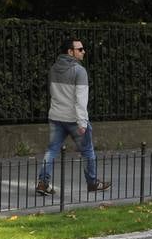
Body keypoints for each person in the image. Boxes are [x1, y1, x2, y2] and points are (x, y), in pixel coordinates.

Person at [35, 38, 110, 195]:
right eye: (80, 49)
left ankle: (43, 183)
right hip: (75, 120)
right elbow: (81, 99)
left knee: (51, 150)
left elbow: (53, 93)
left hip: (56, 116)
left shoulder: (54, 69)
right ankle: (92, 183)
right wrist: (82, 122)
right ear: (70, 52)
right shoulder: (79, 71)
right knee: (88, 151)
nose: (84, 52)